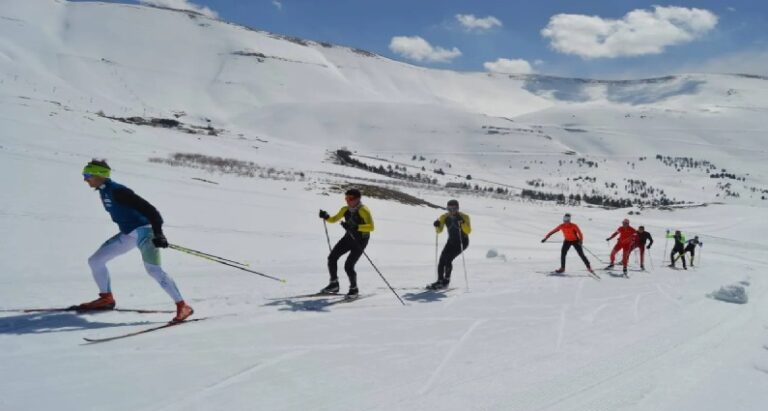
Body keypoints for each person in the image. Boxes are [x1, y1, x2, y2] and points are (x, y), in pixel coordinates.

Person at [78, 159, 193, 322]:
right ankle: (106, 298)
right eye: (84, 175)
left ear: (100, 174)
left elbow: (151, 210)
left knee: (154, 270)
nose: (85, 179)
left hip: (145, 232)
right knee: (95, 260)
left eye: (88, 175)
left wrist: (158, 234)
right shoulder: (103, 190)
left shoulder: (118, 191)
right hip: (127, 234)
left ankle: (183, 306)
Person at [318, 188, 374, 297]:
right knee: (332, 257)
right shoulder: (345, 209)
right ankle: (334, 284)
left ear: (358, 199)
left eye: (350, 198)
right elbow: (334, 219)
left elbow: (371, 227)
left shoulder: (364, 210)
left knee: (348, 265)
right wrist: (326, 217)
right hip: (348, 238)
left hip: (361, 240)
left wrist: (355, 227)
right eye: (346, 198)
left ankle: (354, 289)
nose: (347, 200)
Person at [428, 199, 471, 290]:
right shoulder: (444, 217)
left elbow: (468, 231)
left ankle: (446, 281)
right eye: (449, 209)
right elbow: (439, 231)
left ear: (458, 208)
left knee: (448, 259)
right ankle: (440, 280)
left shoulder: (464, 217)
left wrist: (462, 223)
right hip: (451, 241)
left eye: (454, 209)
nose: (452, 211)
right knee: (442, 260)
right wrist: (437, 225)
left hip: (462, 241)